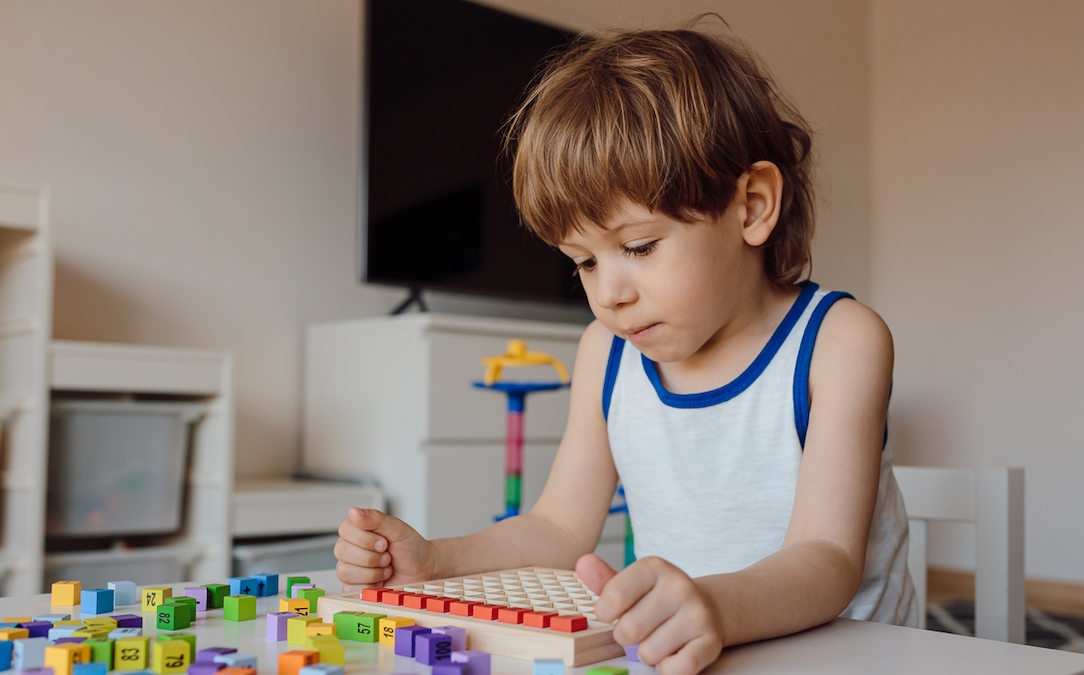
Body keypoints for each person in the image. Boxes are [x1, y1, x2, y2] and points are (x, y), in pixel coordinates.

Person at [335, 24, 916, 675]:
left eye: (639, 247)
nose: (609, 293)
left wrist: (715, 606)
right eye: (583, 261)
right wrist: (434, 558)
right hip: (690, 652)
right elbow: (558, 528)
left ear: (751, 205)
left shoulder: (838, 341)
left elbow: (827, 560)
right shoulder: (605, 352)